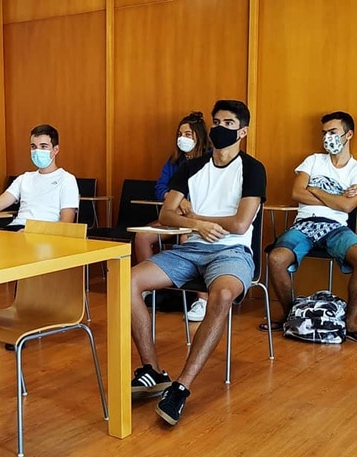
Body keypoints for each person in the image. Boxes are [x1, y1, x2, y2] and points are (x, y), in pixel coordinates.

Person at [129, 100, 266, 426]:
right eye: (217, 121)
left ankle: (181, 387)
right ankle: (153, 371)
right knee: (127, 281)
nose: (220, 128)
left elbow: (240, 224)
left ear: (243, 132)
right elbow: (166, 214)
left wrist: (198, 219)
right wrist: (196, 226)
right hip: (191, 250)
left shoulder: (253, 169)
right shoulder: (191, 167)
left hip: (232, 252)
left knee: (222, 295)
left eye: (229, 123)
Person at [265, 111, 357, 345]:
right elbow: (297, 193)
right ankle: (290, 315)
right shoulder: (313, 160)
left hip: (336, 227)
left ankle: (351, 322)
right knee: (276, 259)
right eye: (324, 133)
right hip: (304, 224)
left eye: (333, 132)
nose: (327, 137)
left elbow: (347, 206)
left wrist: (314, 189)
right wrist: (336, 197)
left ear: (348, 135)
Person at [134, 112, 211, 321]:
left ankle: (202, 299)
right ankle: (151, 290)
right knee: (142, 236)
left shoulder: (211, 160)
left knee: (188, 240)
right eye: (180, 134)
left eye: (188, 134)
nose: (182, 138)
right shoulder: (174, 161)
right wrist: (177, 200)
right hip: (174, 216)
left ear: (199, 136)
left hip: (200, 220)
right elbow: (160, 187)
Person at [0, 124, 79, 230]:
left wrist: (32, 231)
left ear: (55, 150)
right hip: (16, 228)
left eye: (43, 146)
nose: (37, 151)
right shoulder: (24, 178)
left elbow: (66, 223)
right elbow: (0, 202)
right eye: (33, 147)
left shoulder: (67, 179)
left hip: (43, 233)